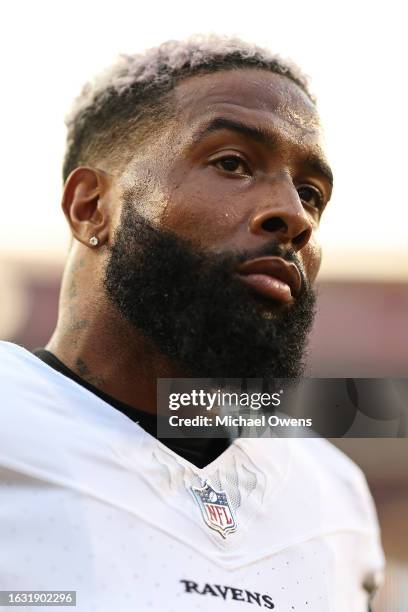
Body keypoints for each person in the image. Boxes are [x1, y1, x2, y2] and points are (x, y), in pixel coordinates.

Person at [0, 36, 383, 611]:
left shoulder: (335, 498)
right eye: (232, 163)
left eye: (311, 194)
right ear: (90, 207)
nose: (295, 216)